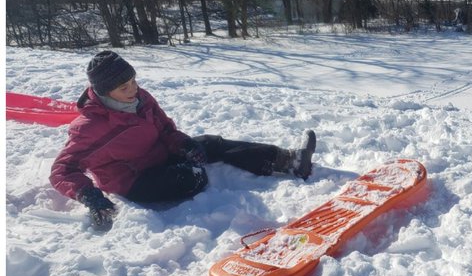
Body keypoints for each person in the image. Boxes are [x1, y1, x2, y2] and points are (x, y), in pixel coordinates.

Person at [51, 50, 317, 231]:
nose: (133, 89)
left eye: (133, 80)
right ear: (105, 92)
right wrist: (90, 196)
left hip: (161, 154)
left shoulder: (140, 98)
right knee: (194, 177)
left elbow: (165, 128)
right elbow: (62, 170)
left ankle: (290, 161)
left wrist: (183, 144)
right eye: (124, 87)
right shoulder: (91, 127)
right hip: (135, 181)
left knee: (210, 143)